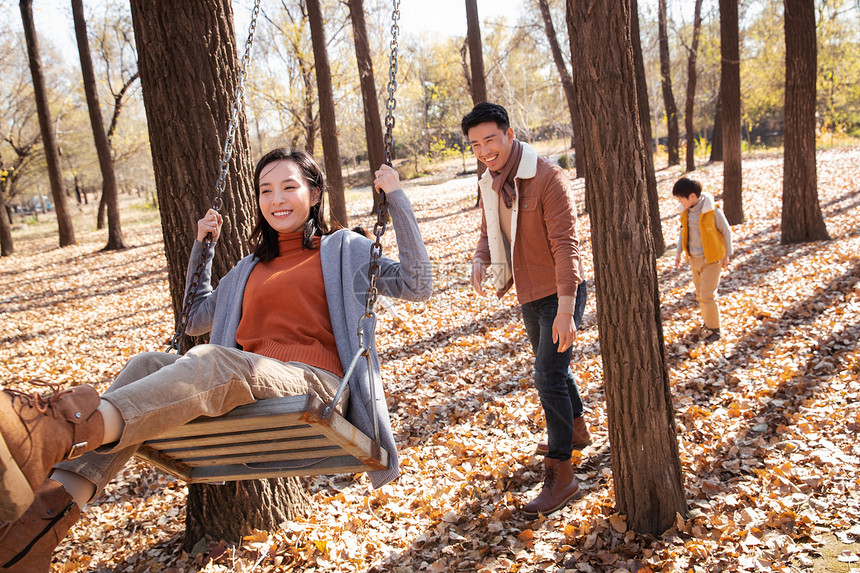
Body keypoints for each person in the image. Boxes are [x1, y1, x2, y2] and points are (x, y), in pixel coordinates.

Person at [0, 149, 432, 571]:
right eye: (265, 191)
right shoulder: (247, 268)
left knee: (213, 359)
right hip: (246, 381)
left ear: (315, 194)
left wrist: (395, 197)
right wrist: (203, 248)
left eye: (289, 187)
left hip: (313, 383)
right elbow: (193, 319)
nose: (276, 200)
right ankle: (43, 521)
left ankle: (60, 429)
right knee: (146, 363)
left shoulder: (345, 249)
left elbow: (417, 283)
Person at [463, 102, 589, 518]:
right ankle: (576, 429)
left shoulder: (548, 177)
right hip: (528, 294)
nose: (484, 150)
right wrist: (482, 257)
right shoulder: (489, 181)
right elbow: (489, 229)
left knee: (547, 374)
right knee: (554, 368)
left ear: (509, 134)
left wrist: (567, 310)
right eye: (476, 144)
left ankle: (562, 473)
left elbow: (567, 246)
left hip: (561, 291)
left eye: (490, 140)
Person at [672, 177, 733, 343]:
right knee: (700, 295)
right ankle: (708, 323)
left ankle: (715, 329)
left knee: (707, 295)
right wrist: (678, 253)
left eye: (680, 198)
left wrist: (727, 253)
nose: (679, 201)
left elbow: (726, 231)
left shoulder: (712, 211)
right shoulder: (686, 212)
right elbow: (682, 232)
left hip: (712, 259)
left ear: (692, 196)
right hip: (694, 259)